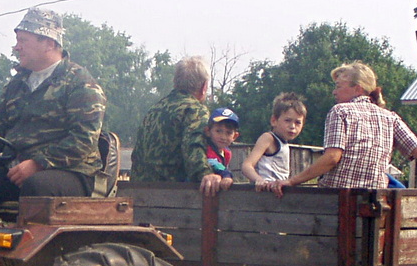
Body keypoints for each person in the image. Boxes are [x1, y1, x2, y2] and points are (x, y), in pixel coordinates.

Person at [0, 7, 107, 244]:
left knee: (37, 186)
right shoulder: (18, 84)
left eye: (23, 41)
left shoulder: (80, 84)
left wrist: (38, 164)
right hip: (18, 169)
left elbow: (83, 140)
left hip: (73, 174)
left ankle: (20, 262)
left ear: (48, 43)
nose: (17, 47)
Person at [262, 62, 417, 203]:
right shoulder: (389, 117)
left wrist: (292, 181)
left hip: (337, 200)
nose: (334, 91)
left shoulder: (340, 111)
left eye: (339, 86)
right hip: (375, 200)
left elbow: (332, 158)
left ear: (357, 89)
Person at [130, 56, 229, 197]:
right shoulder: (195, 109)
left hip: (139, 192)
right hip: (173, 195)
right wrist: (206, 174)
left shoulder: (155, 109)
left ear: (175, 82)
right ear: (204, 87)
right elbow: (193, 147)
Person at [241, 92, 306, 190]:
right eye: (287, 120)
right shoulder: (268, 138)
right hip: (265, 191)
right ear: (274, 121)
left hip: (277, 190)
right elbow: (247, 165)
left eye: (297, 122)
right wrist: (259, 180)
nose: (292, 126)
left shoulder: (284, 143)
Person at [201, 108, 240, 195]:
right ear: (208, 131)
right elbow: (213, 163)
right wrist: (226, 175)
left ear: (235, 136)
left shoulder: (226, 153)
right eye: (218, 131)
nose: (223, 137)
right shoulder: (207, 149)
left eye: (228, 133)